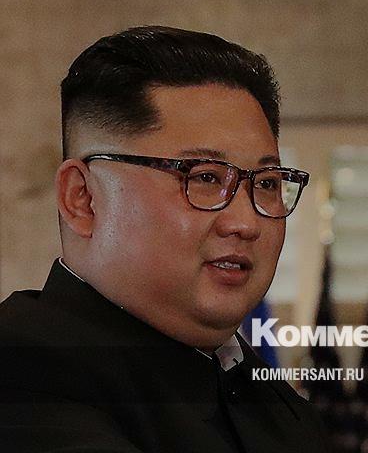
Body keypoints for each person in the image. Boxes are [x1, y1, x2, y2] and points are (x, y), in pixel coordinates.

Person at [0, 26, 327, 452]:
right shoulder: (22, 373)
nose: (246, 223)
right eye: (205, 177)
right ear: (82, 199)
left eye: (266, 183)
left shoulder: (271, 398)